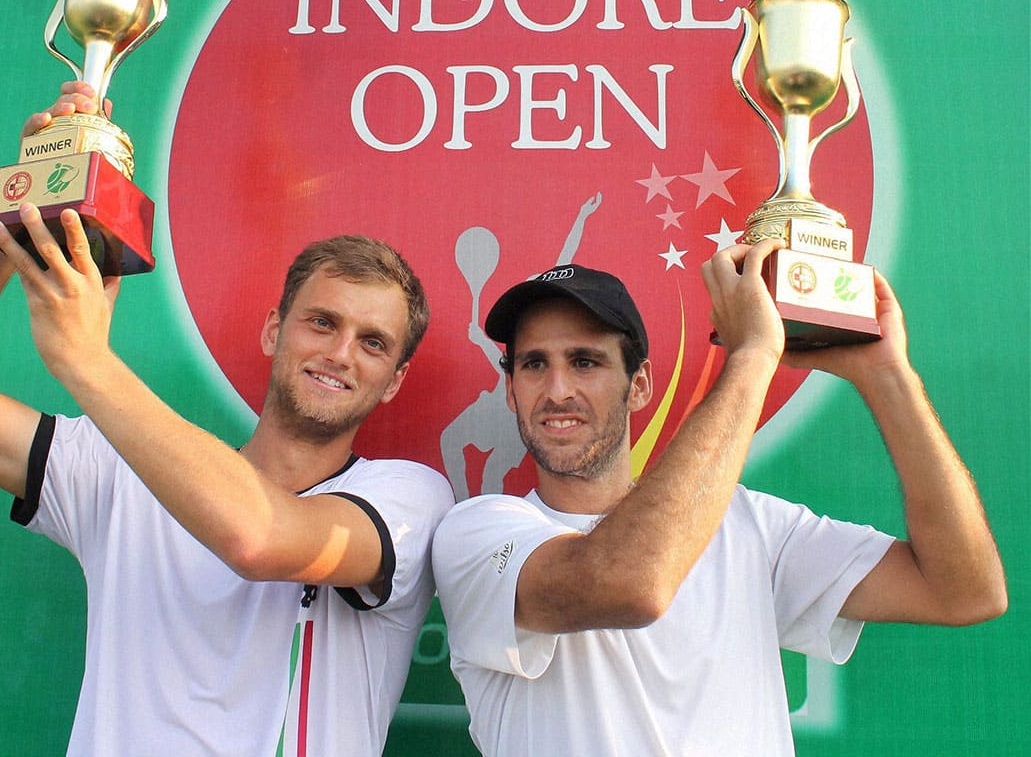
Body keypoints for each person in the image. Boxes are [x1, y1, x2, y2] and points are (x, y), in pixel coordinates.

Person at [0, 82, 454, 757]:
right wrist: (24, 208)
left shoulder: (408, 497)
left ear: (394, 382)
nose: (339, 354)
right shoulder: (117, 470)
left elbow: (259, 539)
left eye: (372, 343)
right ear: (274, 331)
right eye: (321, 322)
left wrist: (88, 361)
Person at [431, 243, 1006, 756]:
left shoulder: (750, 525)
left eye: (585, 361)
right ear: (509, 389)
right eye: (535, 365)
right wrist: (753, 355)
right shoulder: (477, 533)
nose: (557, 390)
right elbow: (632, 584)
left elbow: (965, 591)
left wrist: (888, 376)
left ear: (640, 386)